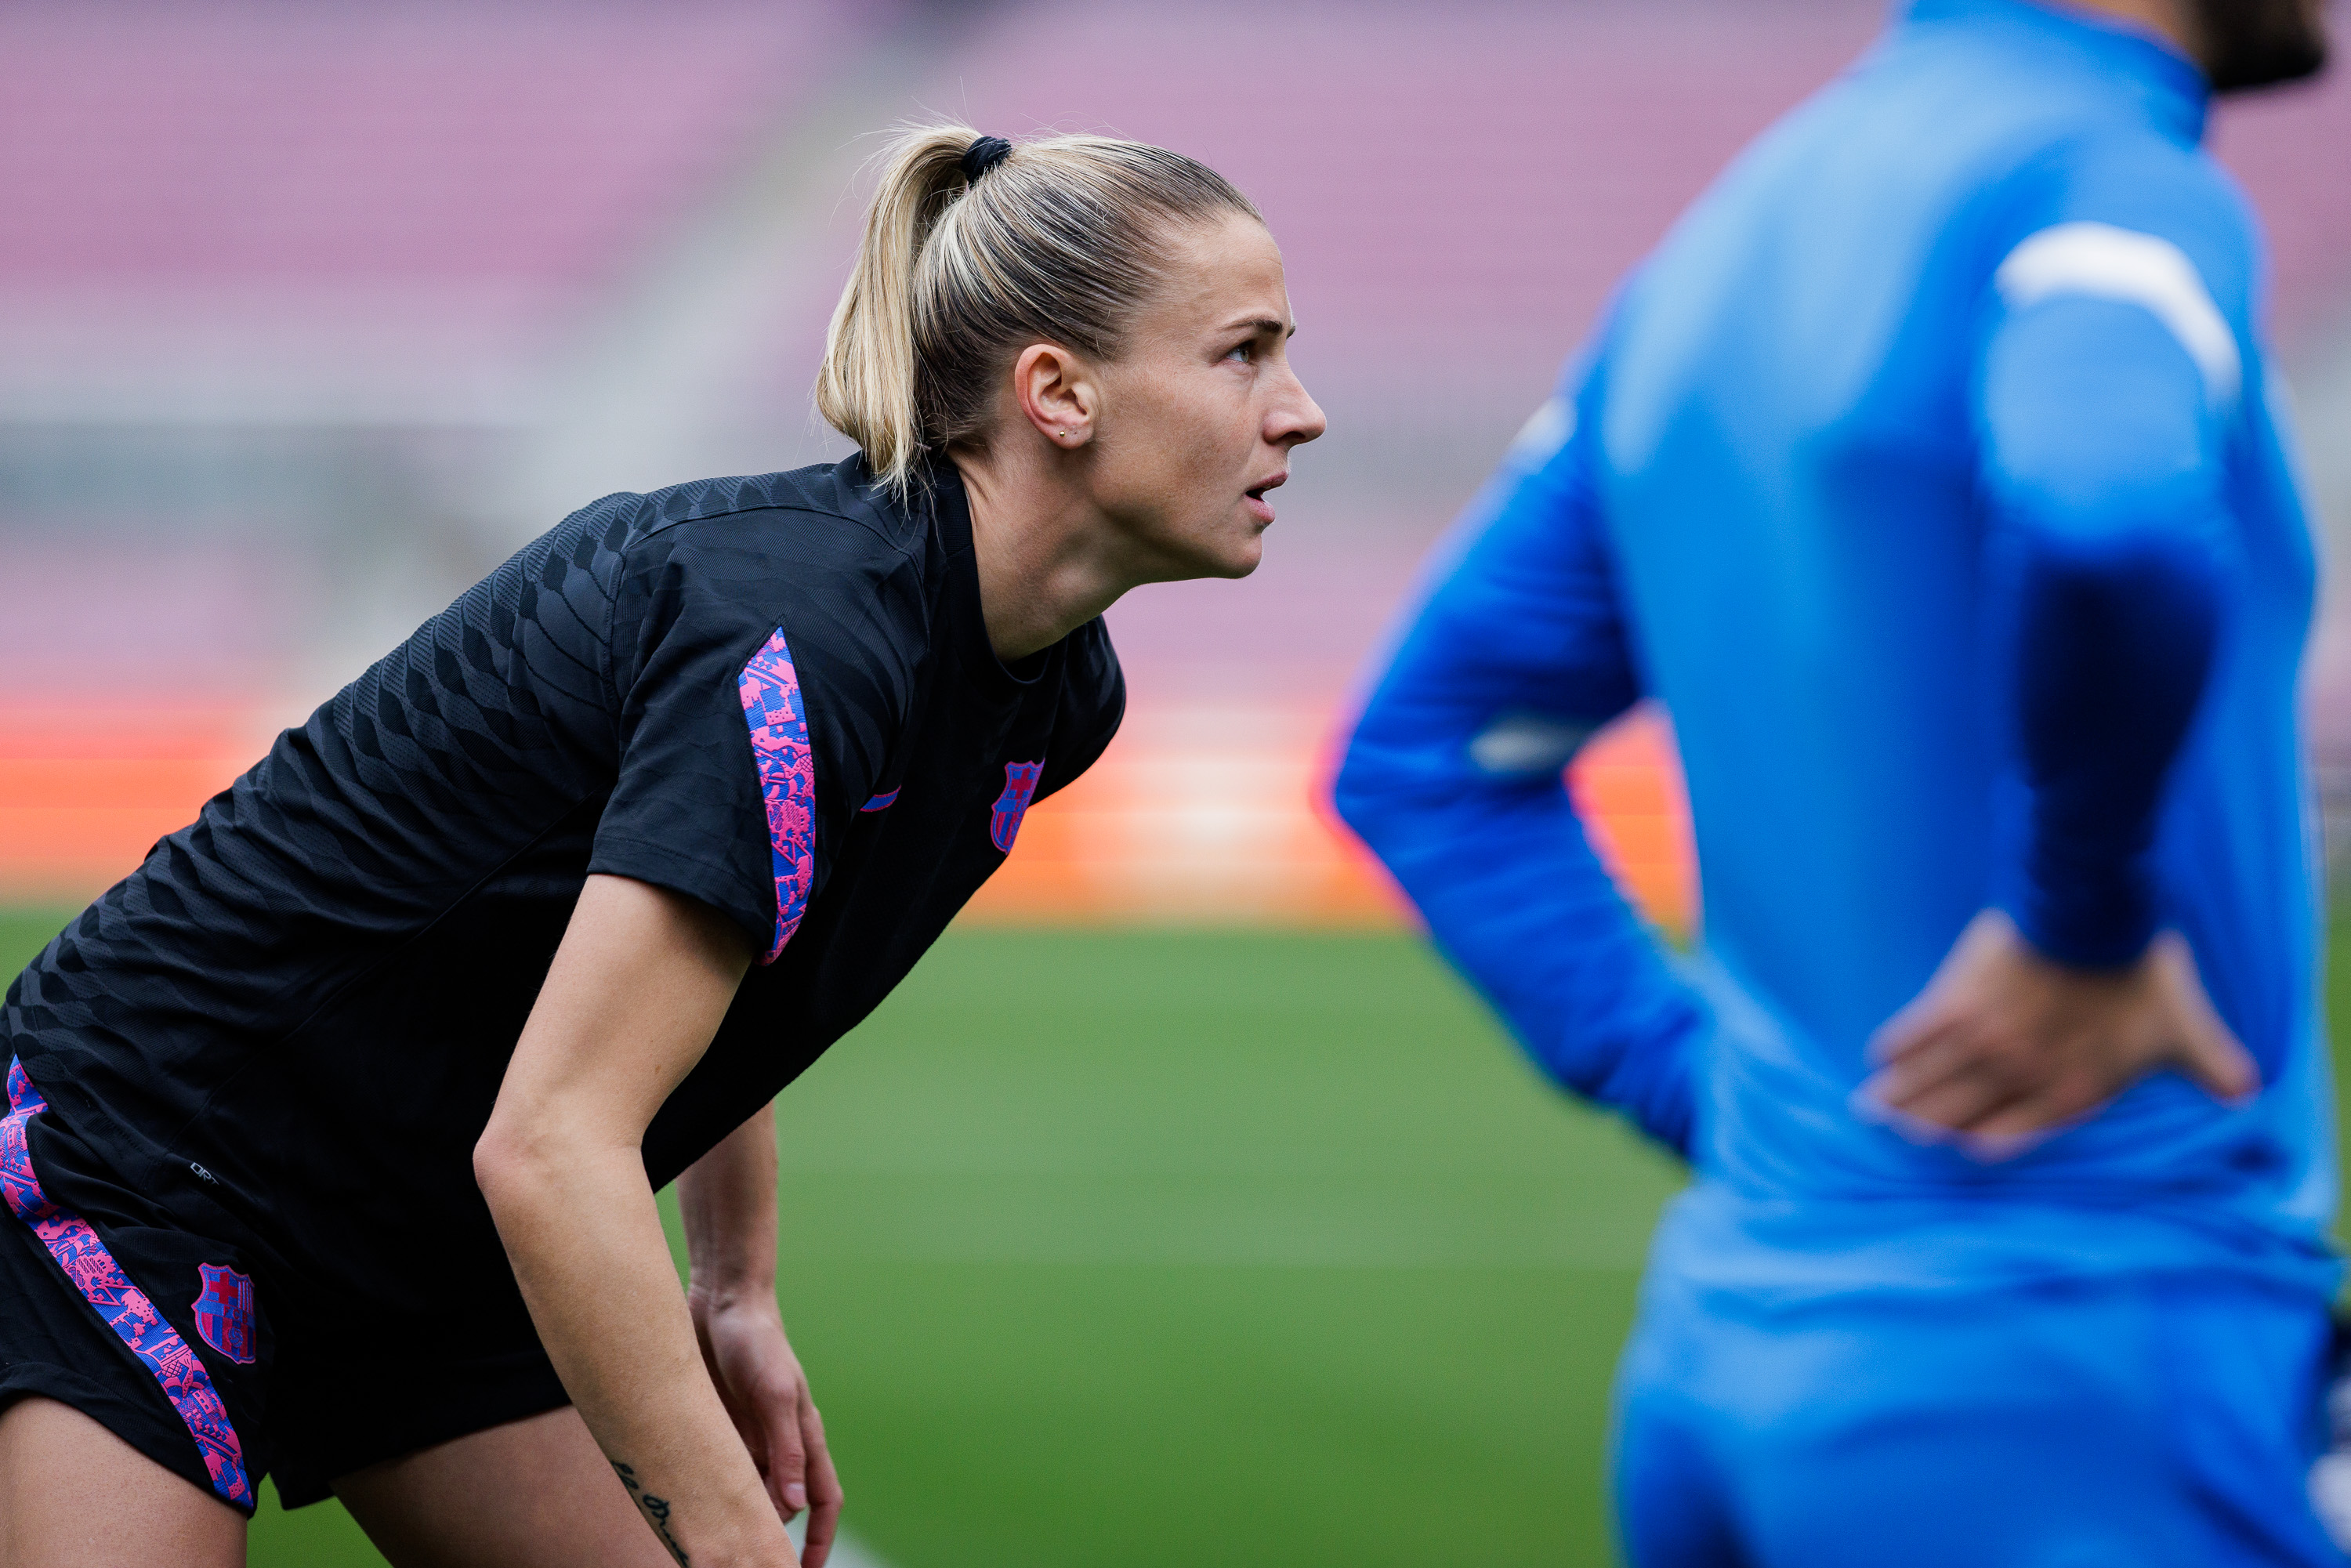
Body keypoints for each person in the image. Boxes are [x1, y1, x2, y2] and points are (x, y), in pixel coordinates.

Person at [0, 125, 1324, 1568]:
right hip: (145, 1151)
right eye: (1243, 352)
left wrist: (736, 1286)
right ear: (1057, 393)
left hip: (433, 1221)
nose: (1300, 411)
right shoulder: (805, 637)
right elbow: (556, 1144)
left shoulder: (1058, 688)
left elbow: (731, 957)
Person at [1334, 1, 2337, 1563]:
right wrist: (2079, 923)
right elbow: (2109, 515)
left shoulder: (1721, 243)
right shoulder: (2110, 176)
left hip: (1728, 1355)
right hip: (2079, 1360)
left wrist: (1725, 1101)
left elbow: (1428, 752)